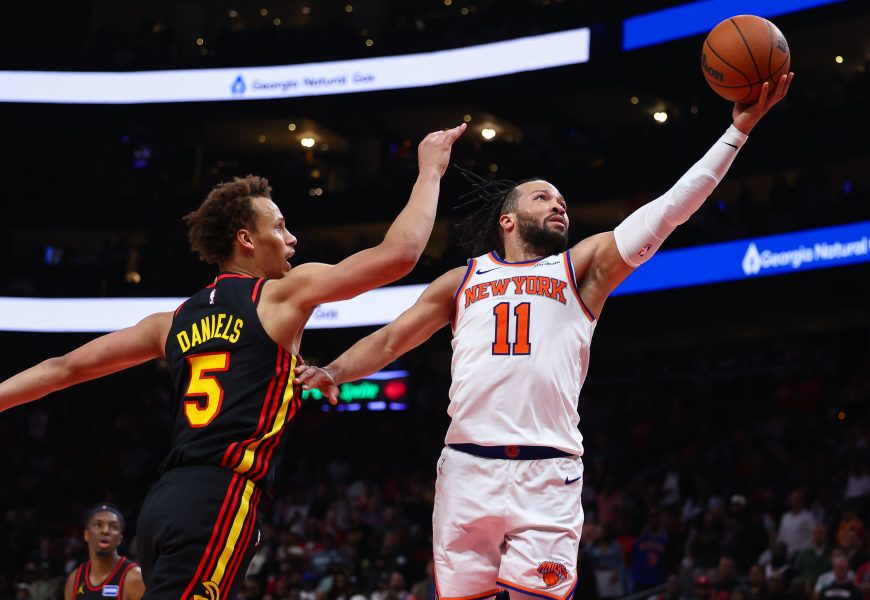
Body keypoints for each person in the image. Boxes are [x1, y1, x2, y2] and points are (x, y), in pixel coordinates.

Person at [296, 74, 793, 600]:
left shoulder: (582, 268)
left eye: (562, 201)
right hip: (467, 467)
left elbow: (670, 209)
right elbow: (391, 340)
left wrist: (737, 132)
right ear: (508, 220)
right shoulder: (461, 279)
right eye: (543, 198)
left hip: (548, 471)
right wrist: (333, 371)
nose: (559, 206)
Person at [0, 123, 467, 599]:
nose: (292, 239)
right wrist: (430, 170)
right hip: (220, 495)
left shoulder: (170, 322)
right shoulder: (280, 296)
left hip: (163, 503)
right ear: (246, 239)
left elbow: (63, 368)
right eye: (279, 227)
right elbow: (399, 254)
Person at [64, 504, 145, 600]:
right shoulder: (74, 580)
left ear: (119, 539)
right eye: (98, 525)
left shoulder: (135, 577)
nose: (105, 531)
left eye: (113, 526)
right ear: (86, 534)